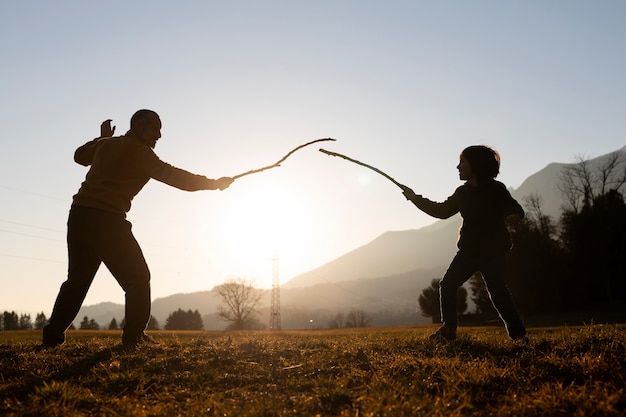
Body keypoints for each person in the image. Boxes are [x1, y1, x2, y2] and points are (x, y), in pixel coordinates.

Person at [42, 109, 233, 347]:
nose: (159, 135)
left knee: (77, 281)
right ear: (139, 127)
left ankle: (51, 338)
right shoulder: (141, 153)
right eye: (155, 128)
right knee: (138, 278)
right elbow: (175, 177)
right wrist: (213, 184)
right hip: (108, 220)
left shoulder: (107, 145)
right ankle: (134, 337)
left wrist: (103, 139)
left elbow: (79, 156)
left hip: (79, 215)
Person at [400, 145, 527, 342]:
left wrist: (512, 214)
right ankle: (449, 330)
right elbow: (441, 211)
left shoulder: (496, 189)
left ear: (476, 164)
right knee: (448, 285)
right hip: (468, 251)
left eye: (462, 162)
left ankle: (518, 336)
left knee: (498, 293)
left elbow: (512, 206)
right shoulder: (462, 193)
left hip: (493, 252)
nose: (457, 167)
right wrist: (415, 199)